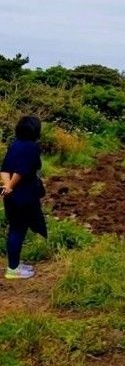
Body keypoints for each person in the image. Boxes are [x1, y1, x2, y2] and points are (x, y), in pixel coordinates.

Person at [1, 116, 46, 279]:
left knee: (16, 228)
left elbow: (4, 169)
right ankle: (13, 269)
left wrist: (7, 187)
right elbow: (21, 171)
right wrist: (11, 186)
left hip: (11, 195)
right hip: (23, 195)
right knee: (18, 230)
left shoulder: (15, 145)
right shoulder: (32, 147)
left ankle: (15, 264)